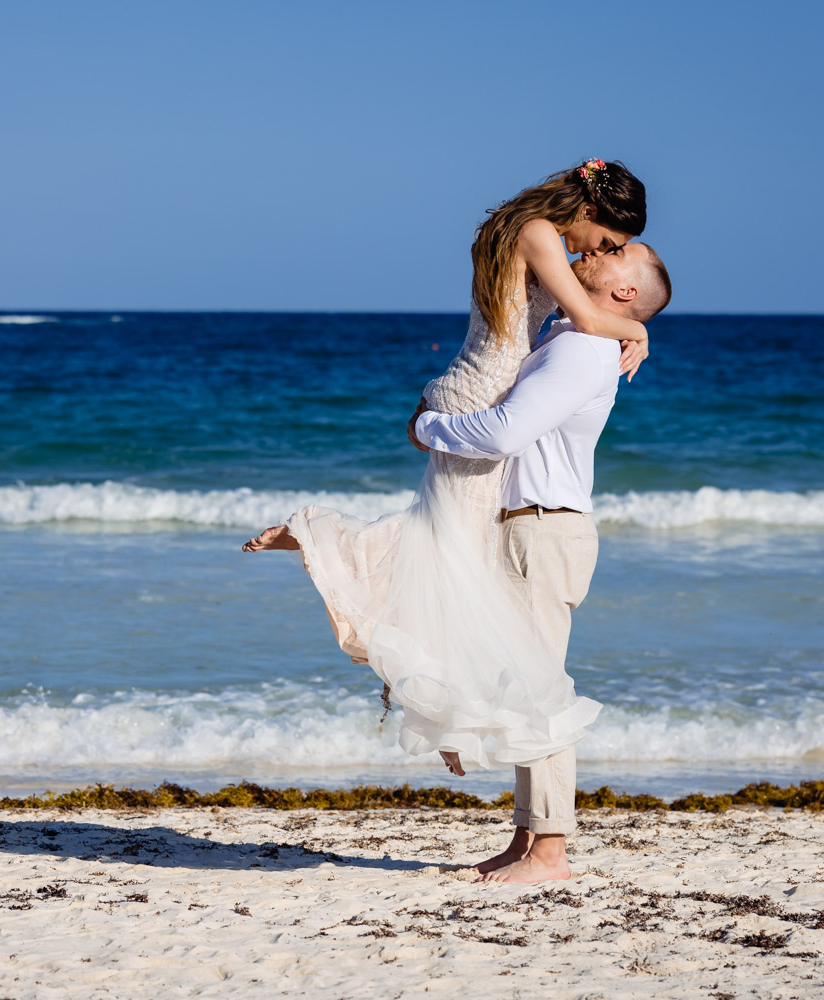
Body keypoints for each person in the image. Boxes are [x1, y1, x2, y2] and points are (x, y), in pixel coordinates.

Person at [243, 159, 650, 851]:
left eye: (609, 251)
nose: (597, 252)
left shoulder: (508, 227)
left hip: (468, 387)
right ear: (589, 204)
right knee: (445, 557)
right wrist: (637, 329)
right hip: (480, 401)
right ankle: (324, 543)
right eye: (606, 238)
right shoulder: (542, 236)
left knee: (447, 557)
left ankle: (441, 710)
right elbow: (585, 315)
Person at [410, 241, 672, 882]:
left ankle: (551, 849)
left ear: (626, 291)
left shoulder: (583, 350)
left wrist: (428, 430)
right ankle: (526, 838)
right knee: (524, 687)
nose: (597, 250)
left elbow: (502, 432)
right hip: (524, 526)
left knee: (542, 692)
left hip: (545, 530)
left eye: (618, 253)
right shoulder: (568, 332)